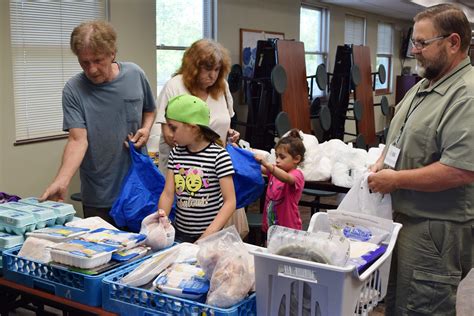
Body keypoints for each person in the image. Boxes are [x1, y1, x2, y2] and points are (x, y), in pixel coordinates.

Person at [367, 4, 474, 315]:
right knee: (399, 304)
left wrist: (395, 179)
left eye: (422, 43)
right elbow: (400, 135)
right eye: (413, 42)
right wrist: (383, 161)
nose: (414, 51)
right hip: (405, 219)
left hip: (435, 230)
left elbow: (460, 170)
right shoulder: (425, 85)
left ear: (453, 42)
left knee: (423, 308)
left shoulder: (465, 95)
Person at [40, 20, 156, 224]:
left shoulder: (135, 75)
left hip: (138, 190)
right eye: (85, 62)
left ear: (112, 53)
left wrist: (146, 129)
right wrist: (62, 180)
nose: (92, 69)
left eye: (98, 60)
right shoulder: (73, 90)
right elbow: (77, 140)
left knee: (143, 251)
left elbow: (149, 109)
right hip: (99, 195)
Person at [157, 94, 236, 243]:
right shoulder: (175, 153)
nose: (169, 134)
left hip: (210, 236)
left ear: (193, 127)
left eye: (174, 128)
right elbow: (168, 194)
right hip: (180, 233)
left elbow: (230, 202)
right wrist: (161, 222)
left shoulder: (219, 156)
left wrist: (207, 235)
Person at [155, 38, 239, 176]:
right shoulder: (175, 86)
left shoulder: (222, 87)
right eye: (207, 69)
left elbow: (221, 122)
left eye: (217, 69)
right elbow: (170, 135)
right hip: (180, 173)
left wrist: (228, 132)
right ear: (193, 67)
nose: (212, 75)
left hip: (213, 173)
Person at [254, 129, 305, 233]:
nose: (277, 160)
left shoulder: (297, 175)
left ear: (296, 159)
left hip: (288, 230)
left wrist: (267, 164)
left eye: (282, 157)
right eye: (276, 156)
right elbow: (257, 168)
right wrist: (242, 152)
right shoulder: (275, 171)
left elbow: (286, 178)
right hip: (271, 226)